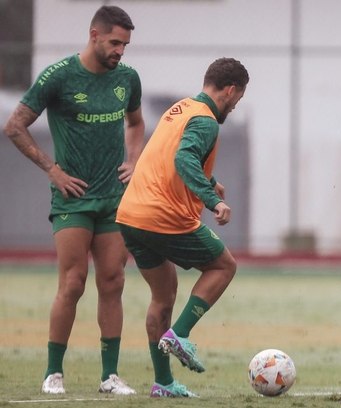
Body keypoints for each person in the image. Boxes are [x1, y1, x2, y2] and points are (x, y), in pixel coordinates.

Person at [2, 5, 144, 395]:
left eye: (126, 45)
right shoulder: (59, 76)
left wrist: (133, 160)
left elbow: (135, 122)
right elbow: (14, 126)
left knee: (113, 280)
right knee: (73, 282)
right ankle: (53, 373)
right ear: (94, 35)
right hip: (74, 200)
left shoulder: (127, 78)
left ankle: (109, 377)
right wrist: (52, 170)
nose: (121, 51)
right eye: (115, 42)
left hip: (114, 199)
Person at [115, 57, 249, 398]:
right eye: (239, 99)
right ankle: (180, 334)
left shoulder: (181, 108)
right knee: (223, 265)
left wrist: (210, 180)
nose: (235, 106)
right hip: (163, 216)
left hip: (131, 215)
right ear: (231, 90)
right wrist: (213, 200)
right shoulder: (206, 121)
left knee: (163, 295)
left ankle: (163, 383)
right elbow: (184, 159)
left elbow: (170, 154)